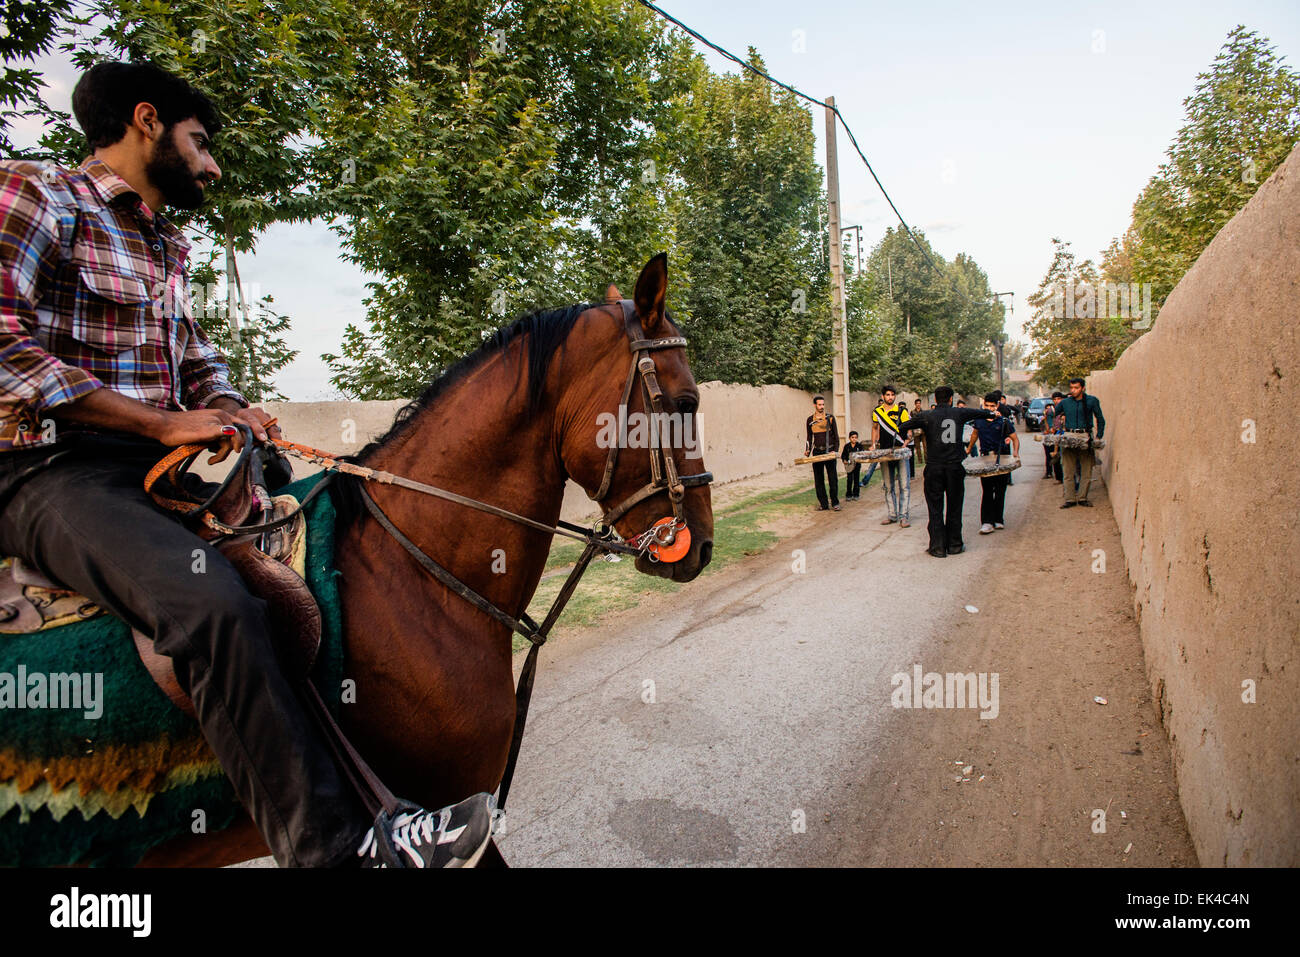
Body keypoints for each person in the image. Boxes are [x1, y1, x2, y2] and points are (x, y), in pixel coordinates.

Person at [0, 61, 494, 868]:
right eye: (201, 143)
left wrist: (230, 410)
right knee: (210, 602)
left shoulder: (166, 244)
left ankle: (385, 791)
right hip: (50, 471)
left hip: (163, 463)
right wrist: (160, 424)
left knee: (323, 544)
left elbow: (198, 365)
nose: (213, 165)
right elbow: (4, 345)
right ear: (147, 121)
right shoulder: (37, 195)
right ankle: (333, 849)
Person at [897, 386, 997, 557]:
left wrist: (907, 433)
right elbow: (979, 413)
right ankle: (955, 545)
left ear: (935, 400)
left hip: (934, 467)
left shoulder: (926, 415)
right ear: (951, 399)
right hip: (954, 467)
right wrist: (991, 414)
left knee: (935, 508)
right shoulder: (959, 413)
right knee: (954, 506)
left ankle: (937, 547)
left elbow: (903, 425)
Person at [968, 392, 1020, 533]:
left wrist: (1015, 454)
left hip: (1001, 459)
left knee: (1000, 490)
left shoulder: (1003, 422)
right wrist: (968, 450)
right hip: (985, 459)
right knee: (987, 490)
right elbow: (974, 435)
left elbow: (1015, 439)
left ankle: (998, 520)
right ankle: (986, 522)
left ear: (997, 406)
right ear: (983, 405)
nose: (989, 408)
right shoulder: (979, 421)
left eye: (992, 406)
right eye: (987, 405)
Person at [1056, 377, 1106, 508]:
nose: (1073, 390)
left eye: (1076, 388)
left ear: (1083, 388)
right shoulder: (1065, 402)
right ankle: (1070, 499)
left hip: (1085, 436)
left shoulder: (1092, 401)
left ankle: (1083, 497)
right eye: (1071, 388)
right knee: (1067, 470)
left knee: (1086, 470)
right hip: (1069, 436)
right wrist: (1055, 428)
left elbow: (1100, 418)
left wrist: (1099, 436)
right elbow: (1053, 415)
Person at [869, 385, 911, 528]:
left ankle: (903, 516)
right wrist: (873, 444)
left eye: (892, 395)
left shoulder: (901, 411)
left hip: (900, 451)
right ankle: (892, 515)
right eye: (887, 395)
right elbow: (875, 428)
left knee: (904, 485)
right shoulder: (877, 412)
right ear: (883, 396)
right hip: (885, 452)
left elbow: (909, 430)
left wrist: (906, 443)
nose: (890, 397)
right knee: (888, 486)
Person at [804, 394, 840, 511]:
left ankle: (835, 503)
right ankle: (823, 504)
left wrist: (835, 451)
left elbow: (836, 437)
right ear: (815, 405)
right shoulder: (810, 420)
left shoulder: (830, 418)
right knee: (818, 480)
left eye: (823, 404)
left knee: (832, 478)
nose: (821, 406)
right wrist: (807, 450)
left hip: (829, 451)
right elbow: (809, 437)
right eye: (819, 404)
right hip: (817, 452)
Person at [1043, 391, 1065, 481]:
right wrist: (1051, 429)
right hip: (1054, 434)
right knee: (1054, 455)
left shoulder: (1065, 408)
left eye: (1059, 399)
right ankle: (1058, 477)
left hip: (1064, 433)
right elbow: (1048, 423)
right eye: (1055, 399)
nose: (1057, 401)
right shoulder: (1050, 410)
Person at [841, 430, 866, 500]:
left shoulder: (859, 446)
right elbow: (843, 455)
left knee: (856, 479)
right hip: (849, 466)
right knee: (849, 480)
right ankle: (848, 494)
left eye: (855, 437)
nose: (854, 439)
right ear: (849, 438)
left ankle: (856, 494)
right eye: (852, 437)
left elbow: (862, 454)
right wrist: (844, 460)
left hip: (857, 465)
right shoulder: (847, 446)